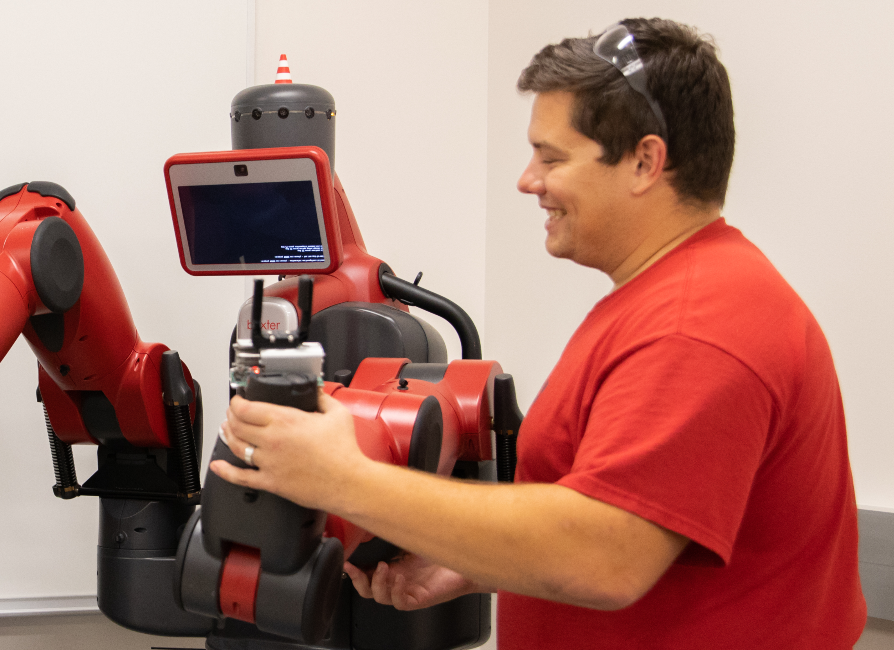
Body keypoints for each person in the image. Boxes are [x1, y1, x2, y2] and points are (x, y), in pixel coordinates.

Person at [211, 17, 865, 649]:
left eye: (551, 157)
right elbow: (614, 519)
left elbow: (603, 557)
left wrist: (339, 479)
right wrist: (474, 565)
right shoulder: (667, 298)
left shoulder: (694, 325)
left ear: (645, 162)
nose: (529, 181)